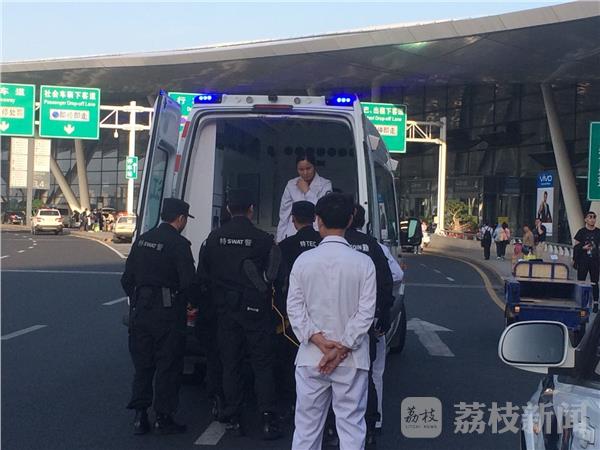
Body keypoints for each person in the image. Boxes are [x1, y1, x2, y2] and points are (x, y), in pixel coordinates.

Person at [287, 193, 376, 450]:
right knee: (351, 427)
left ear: (318, 220)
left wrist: (319, 341)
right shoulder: (364, 263)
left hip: (311, 356)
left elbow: (294, 308)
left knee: (306, 428)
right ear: (350, 220)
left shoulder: (303, 261)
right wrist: (342, 347)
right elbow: (366, 313)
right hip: (352, 359)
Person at [199, 188, 282, 440]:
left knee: (230, 363)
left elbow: (202, 276)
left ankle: (233, 416)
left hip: (225, 310)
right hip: (255, 310)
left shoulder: (213, 238)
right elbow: (275, 275)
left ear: (227, 209)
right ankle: (267, 418)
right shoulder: (263, 239)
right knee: (262, 364)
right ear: (251, 210)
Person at [120, 198, 196, 435]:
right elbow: (189, 282)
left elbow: (126, 279)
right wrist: (191, 305)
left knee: (143, 366)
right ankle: (163, 416)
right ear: (180, 219)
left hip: (141, 311)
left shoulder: (142, 240)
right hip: (168, 313)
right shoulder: (179, 244)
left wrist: (140, 299)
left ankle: (140, 416)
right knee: (168, 365)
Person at [344, 204, 394, 448]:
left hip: (330, 330)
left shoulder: (325, 247)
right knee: (368, 375)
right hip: (367, 325)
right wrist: (382, 316)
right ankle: (371, 426)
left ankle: (333, 429)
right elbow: (387, 282)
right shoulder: (372, 246)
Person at [276, 201, 322, 416]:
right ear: (315, 219)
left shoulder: (285, 246)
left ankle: (294, 402)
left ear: (293, 220)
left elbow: (276, 280)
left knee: (291, 359)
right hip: (323, 311)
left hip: (292, 315)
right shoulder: (324, 243)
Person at [276, 151, 332, 243]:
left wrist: (307, 191)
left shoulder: (325, 184)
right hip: (293, 234)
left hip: (316, 233)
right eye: (301, 169)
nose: (305, 173)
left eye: (308, 168)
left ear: (314, 166)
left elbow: (324, 210)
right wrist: (279, 238)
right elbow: (284, 215)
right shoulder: (291, 184)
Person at [573, 211, 600, 313]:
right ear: (586, 219)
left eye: (594, 217)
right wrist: (582, 248)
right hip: (583, 260)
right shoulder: (581, 232)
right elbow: (576, 246)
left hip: (595, 261)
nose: (592, 219)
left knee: (595, 282)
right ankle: (581, 302)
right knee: (581, 281)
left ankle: (596, 303)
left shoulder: (598, 232)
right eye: (590, 217)